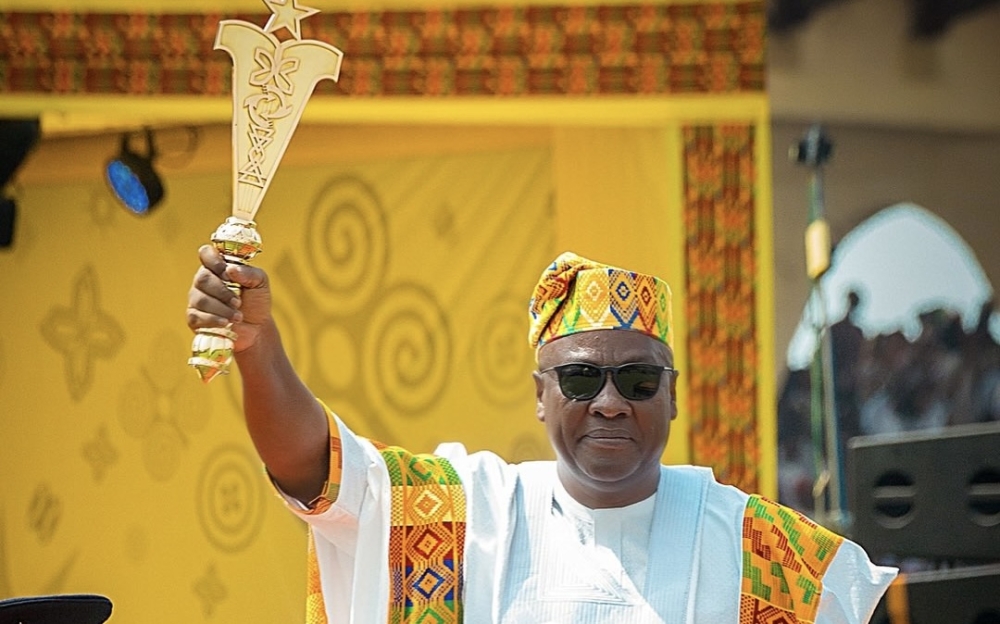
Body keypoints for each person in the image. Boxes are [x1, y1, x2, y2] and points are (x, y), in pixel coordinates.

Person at [187, 249, 896, 624]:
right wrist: (256, 345)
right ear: (540, 394)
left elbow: (883, 606)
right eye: (582, 379)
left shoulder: (755, 547)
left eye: (639, 381)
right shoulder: (469, 514)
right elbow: (316, 468)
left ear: (674, 395)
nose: (611, 403)